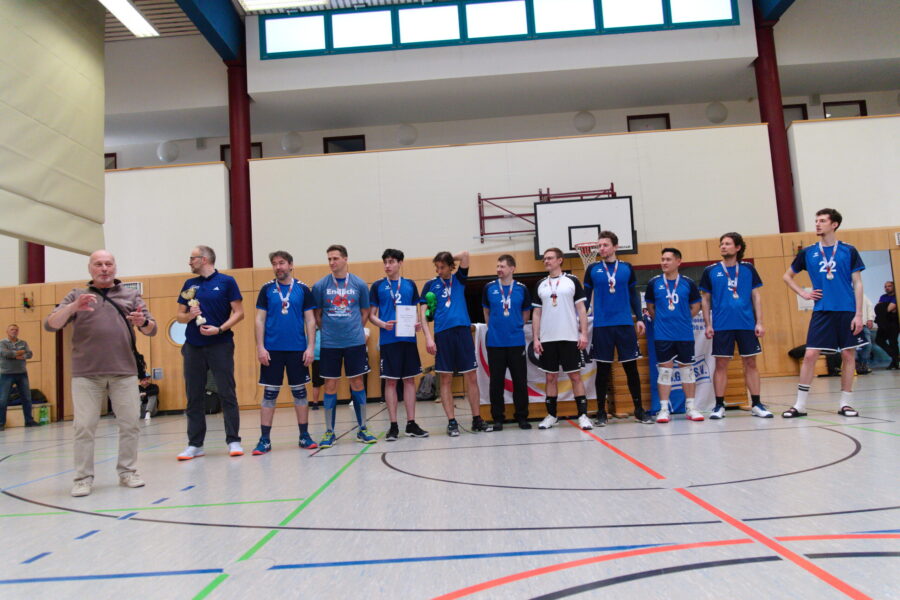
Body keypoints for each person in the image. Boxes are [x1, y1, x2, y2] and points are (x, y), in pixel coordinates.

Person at [45, 250, 156, 497]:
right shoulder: (76, 295)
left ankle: (128, 471)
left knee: (130, 424)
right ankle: (83, 478)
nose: (104, 268)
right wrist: (73, 307)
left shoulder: (131, 295)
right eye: (98, 264)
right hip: (86, 374)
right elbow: (51, 324)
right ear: (90, 268)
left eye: (108, 264)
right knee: (84, 426)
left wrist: (143, 323)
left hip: (124, 372)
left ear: (115, 267)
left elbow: (152, 329)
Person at [782, 208, 867, 418]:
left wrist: (859, 314)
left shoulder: (849, 250)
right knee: (810, 355)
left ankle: (845, 404)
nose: (817, 224)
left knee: (848, 355)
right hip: (822, 311)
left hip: (847, 310)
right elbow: (787, 276)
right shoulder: (808, 252)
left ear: (834, 224)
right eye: (816, 221)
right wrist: (803, 293)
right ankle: (800, 405)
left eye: (822, 221)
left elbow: (857, 283)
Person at [175, 245, 245, 460]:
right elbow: (179, 316)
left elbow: (239, 313)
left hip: (220, 344)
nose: (189, 262)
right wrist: (190, 316)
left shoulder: (227, 282)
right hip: (193, 346)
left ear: (204, 259)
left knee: (226, 391)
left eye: (192, 258)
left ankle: (233, 440)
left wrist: (220, 329)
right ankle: (195, 444)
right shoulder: (189, 284)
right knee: (194, 394)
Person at [699, 232, 773, 419]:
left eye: (727, 244)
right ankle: (719, 406)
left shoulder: (748, 269)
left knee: (751, 362)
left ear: (738, 248)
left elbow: (756, 296)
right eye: (721, 244)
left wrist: (759, 322)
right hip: (722, 325)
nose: (723, 247)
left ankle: (756, 404)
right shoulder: (711, 271)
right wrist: (708, 324)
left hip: (746, 324)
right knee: (721, 364)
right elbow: (705, 299)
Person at [583, 231, 653, 426]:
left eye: (605, 245)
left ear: (615, 247)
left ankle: (639, 410)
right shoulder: (593, 269)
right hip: (602, 326)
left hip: (624, 324)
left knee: (631, 369)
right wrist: (580, 320)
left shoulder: (626, 268)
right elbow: (585, 297)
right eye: (599, 245)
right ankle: (601, 412)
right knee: (602, 370)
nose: (601, 248)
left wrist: (639, 318)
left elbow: (633, 295)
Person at [252, 250, 319, 455]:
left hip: (297, 350)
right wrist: (260, 347)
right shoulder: (266, 289)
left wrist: (310, 347)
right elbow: (259, 320)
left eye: (281, 263)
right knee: (269, 394)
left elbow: (310, 320)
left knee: (300, 393)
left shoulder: (302, 289)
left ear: (290, 265)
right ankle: (264, 440)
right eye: (274, 263)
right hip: (272, 350)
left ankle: (304, 435)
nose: (278, 267)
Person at [312, 244, 377, 447]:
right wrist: (330, 331)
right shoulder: (320, 286)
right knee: (330, 385)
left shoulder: (359, 284)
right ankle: (329, 432)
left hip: (354, 342)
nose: (332, 262)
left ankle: (363, 429)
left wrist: (354, 330)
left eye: (335, 258)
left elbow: (365, 312)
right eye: (329, 259)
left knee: (357, 383)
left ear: (345, 259)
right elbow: (317, 315)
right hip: (330, 344)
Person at [420, 250, 490, 436]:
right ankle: (452, 422)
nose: (439, 270)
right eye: (437, 267)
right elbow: (423, 314)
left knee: (471, 376)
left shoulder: (459, 279)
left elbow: (465, 255)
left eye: (442, 267)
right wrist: (428, 337)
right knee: (445, 378)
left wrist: (448, 257)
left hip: (463, 332)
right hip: (443, 334)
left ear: (450, 266)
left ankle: (477, 419)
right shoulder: (430, 285)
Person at [369, 249, 429, 440]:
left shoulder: (410, 284)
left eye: (391, 262)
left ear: (400, 263)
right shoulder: (378, 286)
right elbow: (371, 315)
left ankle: (411, 424)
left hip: (408, 339)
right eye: (385, 262)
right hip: (389, 340)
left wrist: (418, 324)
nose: (387, 266)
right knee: (391, 381)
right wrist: (382, 324)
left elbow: (415, 310)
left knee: (410, 380)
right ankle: (393, 425)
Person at [532, 247, 592, 431]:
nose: (546, 261)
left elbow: (581, 309)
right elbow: (536, 313)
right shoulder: (541, 284)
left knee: (575, 376)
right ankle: (551, 416)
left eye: (550, 258)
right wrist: (536, 338)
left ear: (560, 260)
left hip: (569, 337)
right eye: (545, 259)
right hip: (548, 339)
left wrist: (583, 333)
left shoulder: (572, 280)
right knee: (550, 377)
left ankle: (583, 416)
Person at [645, 247, 704, 423]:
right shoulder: (654, 283)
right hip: (663, 335)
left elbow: (696, 305)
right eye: (662, 259)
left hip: (684, 334)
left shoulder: (688, 283)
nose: (664, 262)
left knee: (687, 371)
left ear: (678, 261)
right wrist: (662, 320)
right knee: (664, 372)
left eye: (668, 259)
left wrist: (683, 318)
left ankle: (691, 408)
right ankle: (664, 409)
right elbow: (650, 307)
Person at [482, 254, 532, 430]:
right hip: (495, 343)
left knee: (520, 381)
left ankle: (522, 417)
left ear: (512, 268)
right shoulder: (489, 287)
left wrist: (517, 326)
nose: (499, 269)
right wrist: (493, 327)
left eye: (502, 266)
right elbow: (486, 311)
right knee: (496, 382)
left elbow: (526, 312)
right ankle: (498, 418)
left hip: (516, 342)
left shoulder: (521, 289)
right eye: (498, 266)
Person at [0, 324, 38, 430]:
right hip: (6, 374)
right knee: (3, 399)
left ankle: (29, 421)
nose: (14, 331)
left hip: (22, 373)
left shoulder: (23, 343)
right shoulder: (2, 343)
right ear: (7, 331)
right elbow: (5, 354)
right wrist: (19, 353)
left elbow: (29, 354)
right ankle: (1, 423)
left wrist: (21, 355)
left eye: (16, 330)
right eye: (12, 329)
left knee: (27, 398)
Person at [875, 281, 898, 369]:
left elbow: (888, 309)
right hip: (883, 322)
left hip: (893, 322)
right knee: (879, 340)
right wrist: (883, 307)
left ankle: (895, 362)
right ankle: (896, 357)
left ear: (894, 287)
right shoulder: (883, 297)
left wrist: (882, 307)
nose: (887, 288)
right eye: (885, 286)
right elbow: (877, 308)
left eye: (889, 286)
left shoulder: (896, 296)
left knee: (893, 342)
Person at [855, 294, 875, 375]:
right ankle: (855, 366)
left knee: (868, 345)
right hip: (848, 326)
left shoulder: (862, 295)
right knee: (852, 346)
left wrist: (870, 319)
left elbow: (869, 306)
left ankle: (864, 364)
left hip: (863, 324)